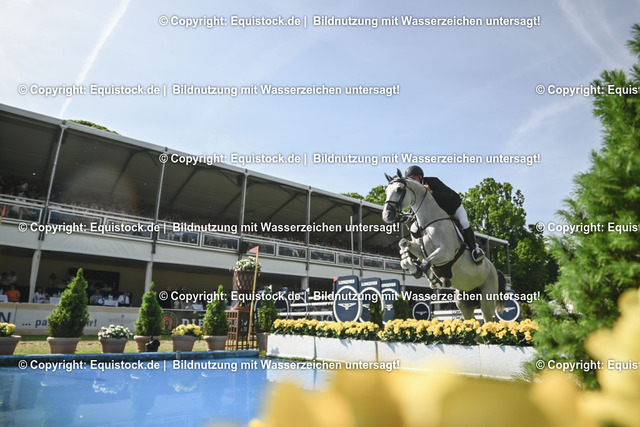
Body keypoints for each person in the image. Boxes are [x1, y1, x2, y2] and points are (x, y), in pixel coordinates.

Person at [404, 165, 485, 264]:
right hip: (439, 215)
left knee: (464, 222)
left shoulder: (433, 181)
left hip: (453, 208)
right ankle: (422, 253)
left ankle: (475, 249)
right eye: (409, 179)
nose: (411, 181)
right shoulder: (416, 191)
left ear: (420, 177)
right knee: (416, 228)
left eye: (413, 178)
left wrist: (431, 192)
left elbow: (449, 195)